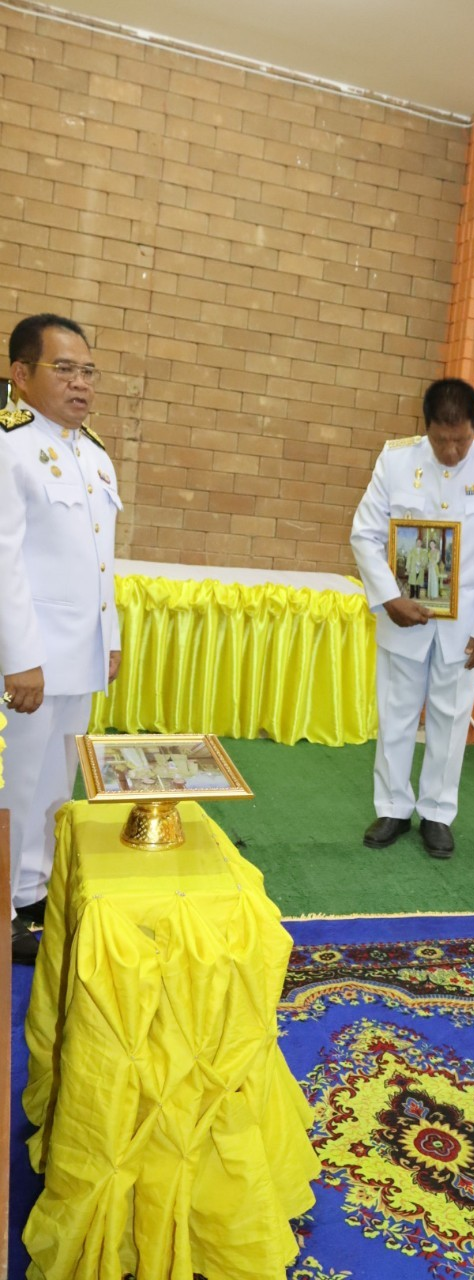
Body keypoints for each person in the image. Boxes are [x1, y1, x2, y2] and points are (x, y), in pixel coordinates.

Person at [351, 377, 474, 859]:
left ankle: (437, 814)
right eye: (441, 439)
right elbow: (364, 534)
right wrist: (388, 598)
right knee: (397, 714)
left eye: (461, 440)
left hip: (464, 624)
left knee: (451, 718)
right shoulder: (396, 461)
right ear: (425, 428)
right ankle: (391, 807)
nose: (450, 451)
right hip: (402, 614)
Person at [0, 314, 122, 963]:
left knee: (55, 780)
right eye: (64, 369)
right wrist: (20, 659)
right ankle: (3, 901)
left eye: (87, 371)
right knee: (16, 781)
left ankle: (32, 890)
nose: (80, 384)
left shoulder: (93, 454)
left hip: (78, 654)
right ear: (21, 375)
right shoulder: (8, 446)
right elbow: (3, 558)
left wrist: (111, 634)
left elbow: (100, 557)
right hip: (30, 660)